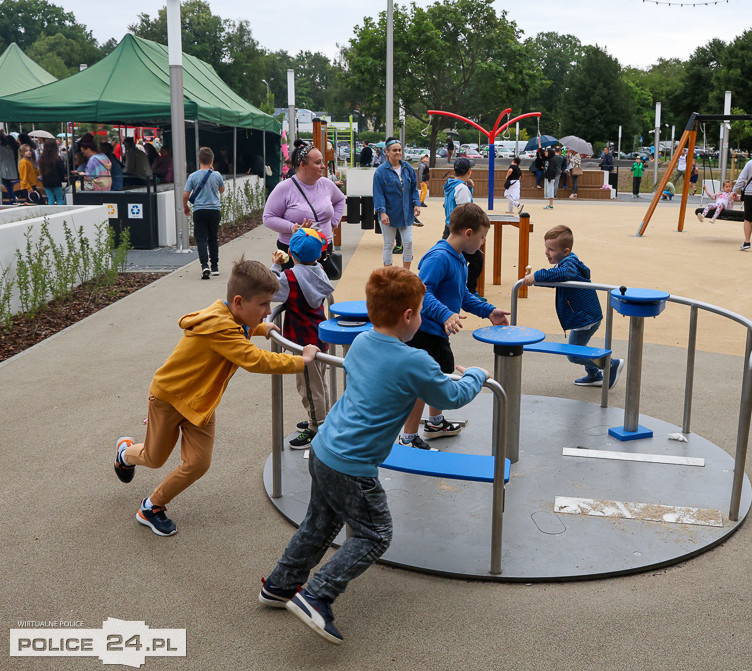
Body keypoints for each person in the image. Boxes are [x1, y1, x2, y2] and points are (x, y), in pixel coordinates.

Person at [258, 267, 490, 644]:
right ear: (409, 316)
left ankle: (280, 585)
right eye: (419, 311)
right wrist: (476, 375)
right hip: (353, 465)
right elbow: (452, 396)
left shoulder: (363, 340)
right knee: (375, 532)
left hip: (324, 449)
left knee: (320, 523)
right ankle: (317, 595)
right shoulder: (415, 361)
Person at [113, 258, 319, 536]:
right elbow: (255, 360)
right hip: (169, 400)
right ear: (238, 302)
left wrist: (259, 326)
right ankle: (125, 453)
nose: (268, 311)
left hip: (200, 405)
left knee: (198, 463)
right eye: (263, 305)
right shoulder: (218, 326)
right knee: (154, 457)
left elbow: (238, 328)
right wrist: (300, 360)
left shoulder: (228, 316)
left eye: (269, 305)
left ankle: (152, 506)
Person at [394, 202, 509, 450]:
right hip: (423, 334)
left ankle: (435, 423)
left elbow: (463, 295)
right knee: (422, 386)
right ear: (468, 233)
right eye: (482, 237)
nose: (483, 243)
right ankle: (408, 437)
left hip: (437, 333)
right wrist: (446, 314)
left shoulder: (458, 258)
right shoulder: (439, 257)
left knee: (439, 376)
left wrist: (489, 311)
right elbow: (423, 293)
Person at [523, 225, 623, 388]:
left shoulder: (569, 265)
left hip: (584, 317)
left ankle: (610, 364)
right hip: (585, 315)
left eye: (551, 249)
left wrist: (537, 275)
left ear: (566, 251)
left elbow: (563, 275)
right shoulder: (566, 262)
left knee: (573, 354)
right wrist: (536, 281)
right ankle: (594, 374)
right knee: (578, 350)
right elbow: (558, 281)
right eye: (546, 248)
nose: (547, 252)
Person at [270, 228, 334, 450]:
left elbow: (270, 289)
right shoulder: (320, 271)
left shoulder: (290, 279)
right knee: (320, 382)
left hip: (302, 341)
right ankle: (320, 417)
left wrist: (276, 265)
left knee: (308, 385)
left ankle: (316, 427)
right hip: (320, 335)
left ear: (291, 253)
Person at [263, 143, 347, 271]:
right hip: (294, 251)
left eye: (322, 162)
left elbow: (340, 199)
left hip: (322, 248)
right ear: (302, 165)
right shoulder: (284, 188)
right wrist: (292, 228)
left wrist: (334, 222)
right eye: (318, 163)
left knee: (320, 288)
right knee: (294, 289)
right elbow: (268, 218)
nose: (323, 166)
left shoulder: (326, 184)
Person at [372, 137, 420, 269]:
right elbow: (378, 194)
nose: (398, 152)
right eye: (394, 150)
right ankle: (388, 272)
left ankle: (406, 272)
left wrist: (416, 203)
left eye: (399, 150)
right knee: (388, 244)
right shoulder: (380, 172)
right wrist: (382, 212)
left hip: (406, 213)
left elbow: (413, 188)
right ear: (387, 152)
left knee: (408, 242)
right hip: (389, 214)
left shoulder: (407, 168)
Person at [442, 158, 484, 295]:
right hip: (460, 230)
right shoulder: (461, 188)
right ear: (469, 171)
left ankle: (459, 288)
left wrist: (469, 188)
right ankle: (469, 290)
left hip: (449, 227)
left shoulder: (450, 185)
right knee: (476, 259)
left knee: (455, 259)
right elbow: (465, 212)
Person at [183, 146, 226, 279]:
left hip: (199, 210)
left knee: (201, 239)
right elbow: (222, 190)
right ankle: (215, 267)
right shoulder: (217, 175)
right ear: (212, 160)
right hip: (214, 210)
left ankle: (204, 265)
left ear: (198, 160)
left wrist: (186, 206)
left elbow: (185, 195)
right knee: (213, 238)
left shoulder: (192, 176)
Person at [38, 139, 67, 205]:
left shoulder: (42, 159)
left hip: (46, 181)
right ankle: (60, 212)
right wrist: (62, 179)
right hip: (56, 181)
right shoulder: (57, 158)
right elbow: (61, 170)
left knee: (50, 198)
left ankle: (50, 212)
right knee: (59, 198)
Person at [0, 133, 19, 204]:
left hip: (4, 173)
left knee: (5, 189)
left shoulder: (1, 149)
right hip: (12, 172)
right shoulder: (9, 148)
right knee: (12, 189)